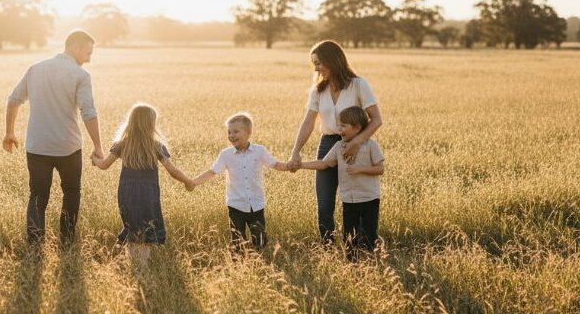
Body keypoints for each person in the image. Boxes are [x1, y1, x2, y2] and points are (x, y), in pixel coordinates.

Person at [4, 29, 104, 245]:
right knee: (71, 193)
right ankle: (66, 243)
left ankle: (35, 244)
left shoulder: (36, 69)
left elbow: (13, 100)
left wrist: (9, 132)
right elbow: (88, 112)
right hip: (68, 147)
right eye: (87, 53)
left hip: (37, 146)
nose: (89, 59)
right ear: (75, 47)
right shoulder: (81, 76)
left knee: (38, 196)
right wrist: (98, 146)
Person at [288, 40, 383, 242]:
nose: (316, 68)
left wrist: (357, 142)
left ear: (333, 60)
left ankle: (358, 251)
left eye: (319, 62)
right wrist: (295, 151)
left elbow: (376, 119)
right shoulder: (318, 90)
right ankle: (327, 249)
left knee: (356, 202)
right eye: (314, 64)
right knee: (324, 206)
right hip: (327, 144)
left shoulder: (358, 85)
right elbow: (308, 122)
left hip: (357, 145)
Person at [91, 103, 193, 266]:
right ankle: (142, 266)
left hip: (127, 193)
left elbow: (104, 165)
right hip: (149, 194)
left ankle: (133, 264)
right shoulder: (156, 146)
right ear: (151, 124)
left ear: (131, 122)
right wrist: (188, 181)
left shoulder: (122, 143)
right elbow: (173, 170)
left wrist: (95, 159)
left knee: (131, 225)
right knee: (147, 226)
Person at [190, 112, 292, 253]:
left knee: (260, 239)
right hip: (235, 205)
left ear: (248, 132)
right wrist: (194, 182)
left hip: (256, 204)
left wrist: (291, 166)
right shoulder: (225, 154)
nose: (231, 135)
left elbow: (275, 164)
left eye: (236, 131)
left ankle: (259, 261)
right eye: (229, 132)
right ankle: (239, 264)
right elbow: (212, 172)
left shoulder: (259, 151)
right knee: (237, 240)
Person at [296, 106, 385, 260]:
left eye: (343, 126)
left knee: (370, 233)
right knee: (349, 235)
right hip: (349, 199)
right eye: (338, 125)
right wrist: (300, 165)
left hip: (369, 199)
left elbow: (380, 169)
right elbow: (324, 164)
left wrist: (360, 169)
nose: (339, 129)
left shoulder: (371, 145)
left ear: (357, 128)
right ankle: (352, 263)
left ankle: (372, 262)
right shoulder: (338, 147)